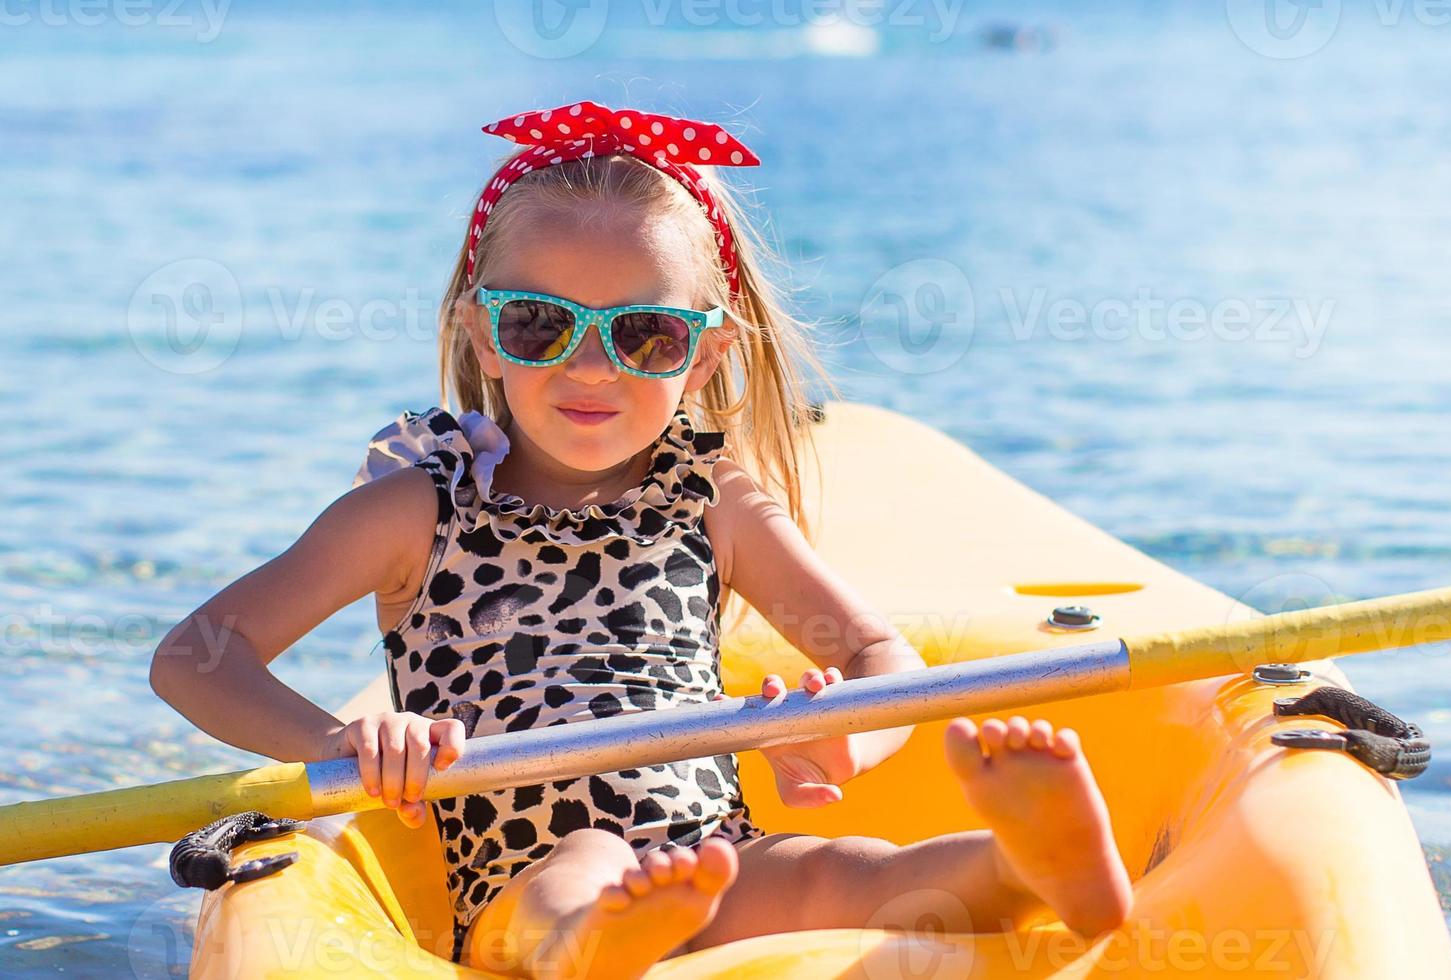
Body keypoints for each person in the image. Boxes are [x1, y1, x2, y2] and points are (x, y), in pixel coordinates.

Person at [149, 100, 1133, 979]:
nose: (590, 367)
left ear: (704, 352)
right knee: (586, 868)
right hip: (522, 874)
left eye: (645, 335)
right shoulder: (415, 508)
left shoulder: (712, 501)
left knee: (849, 871)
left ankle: (1022, 865)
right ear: (482, 332)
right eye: (539, 323)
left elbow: (880, 654)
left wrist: (851, 735)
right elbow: (196, 656)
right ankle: (595, 946)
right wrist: (343, 743)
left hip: (711, 853)